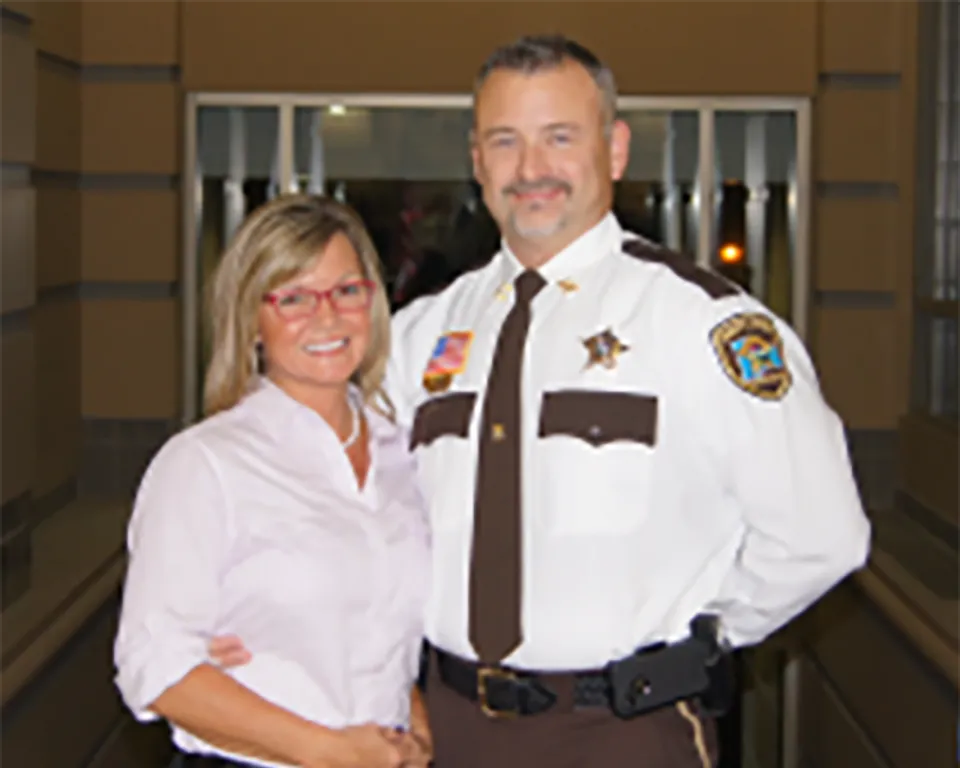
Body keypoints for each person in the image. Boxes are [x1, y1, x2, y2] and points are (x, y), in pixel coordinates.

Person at [210, 35, 872, 767]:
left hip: (623, 732)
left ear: (614, 150)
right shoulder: (417, 334)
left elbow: (824, 535)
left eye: (560, 138)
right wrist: (249, 603)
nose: (531, 170)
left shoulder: (704, 325)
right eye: (505, 142)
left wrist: (697, 633)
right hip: (446, 726)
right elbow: (334, 495)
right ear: (476, 161)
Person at [113, 195, 433, 768]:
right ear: (250, 321)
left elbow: (379, 627)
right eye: (293, 298)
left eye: (347, 290)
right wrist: (329, 752)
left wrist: (419, 732)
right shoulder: (204, 465)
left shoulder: (403, 454)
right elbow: (154, 667)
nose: (328, 317)